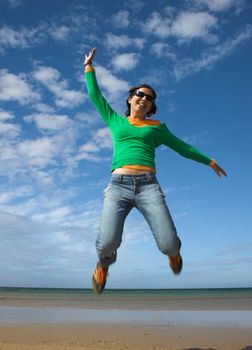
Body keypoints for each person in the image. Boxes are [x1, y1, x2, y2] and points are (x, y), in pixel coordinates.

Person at [84, 47, 227, 294]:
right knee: (108, 242)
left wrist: (209, 161)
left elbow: (182, 147)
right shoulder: (115, 120)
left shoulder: (158, 128)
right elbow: (95, 96)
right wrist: (89, 68)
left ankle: (174, 255)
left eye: (149, 98)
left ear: (151, 107)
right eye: (140, 94)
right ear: (130, 98)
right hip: (118, 186)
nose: (144, 98)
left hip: (148, 186)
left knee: (169, 244)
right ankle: (104, 265)